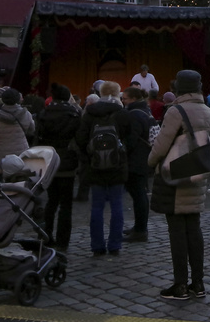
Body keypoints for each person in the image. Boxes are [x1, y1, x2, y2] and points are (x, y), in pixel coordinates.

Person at [148, 70, 210, 299]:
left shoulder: (176, 111)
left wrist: (150, 161)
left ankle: (180, 285)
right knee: (194, 229)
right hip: (196, 174)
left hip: (175, 176)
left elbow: (162, 144)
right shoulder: (206, 110)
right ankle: (198, 282)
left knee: (176, 231)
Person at [75, 80, 134, 255]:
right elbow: (130, 139)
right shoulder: (122, 114)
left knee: (97, 207)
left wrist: (89, 157)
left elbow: (80, 139)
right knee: (117, 205)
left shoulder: (89, 114)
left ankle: (97, 245)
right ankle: (115, 244)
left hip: (95, 166)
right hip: (117, 165)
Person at [33, 83, 82, 247]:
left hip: (48, 160)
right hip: (67, 161)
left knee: (51, 201)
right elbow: (80, 139)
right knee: (66, 204)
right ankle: (63, 240)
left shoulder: (43, 114)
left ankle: (46, 236)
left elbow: (36, 137)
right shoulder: (74, 114)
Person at [123, 86, 157, 242]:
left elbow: (131, 139)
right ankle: (139, 227)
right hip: (144, 158)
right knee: (139, 194)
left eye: (126, 98)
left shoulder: (134, 115)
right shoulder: (145, 111)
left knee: (138, 194)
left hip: (136, 160)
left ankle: (141, 229)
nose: (123, 101)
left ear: (134, 99)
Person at [0, 88, 35, 177]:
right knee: (21, 178)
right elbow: (31, 130)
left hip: (1, 152)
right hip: (21, 151)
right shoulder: (26, 114)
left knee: (0, 179)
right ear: (17, 99)